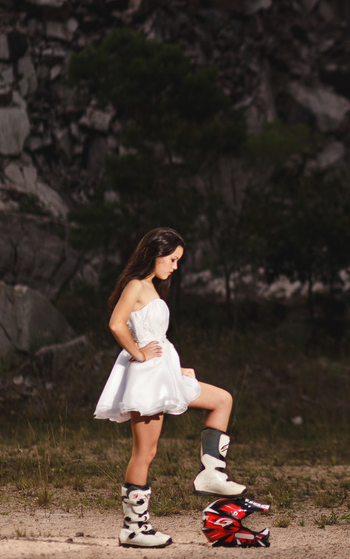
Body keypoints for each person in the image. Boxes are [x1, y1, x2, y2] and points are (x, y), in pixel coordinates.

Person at [93, 227, 246, 548]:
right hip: (148, 377)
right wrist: (139, 354)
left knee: (222, 400)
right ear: (156, 253)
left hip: (165, 373)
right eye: (173, 259)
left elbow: (157, 338)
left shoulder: (151, 287)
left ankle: (211, 473)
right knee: (145, 452)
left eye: (178, 260)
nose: (176, 266)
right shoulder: (136, 285)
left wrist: (176, 369)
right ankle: (134, 528)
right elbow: (116, 324)